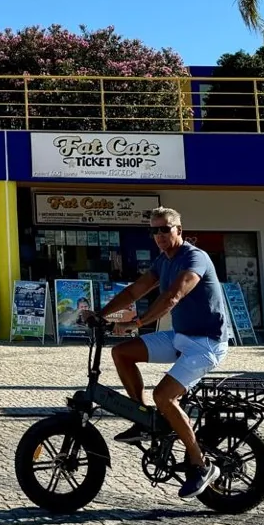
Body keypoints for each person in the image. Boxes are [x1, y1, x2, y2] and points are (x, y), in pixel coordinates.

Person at [98, 207, 230, 500]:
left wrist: (137, 323)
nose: (159, 235)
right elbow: (135, 291)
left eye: (165, 229)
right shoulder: (163, 260)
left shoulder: (194, 258)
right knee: (121, 353)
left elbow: (174, 296)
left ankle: (199, 463)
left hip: (206, 342)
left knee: (165, 396)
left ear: (179, 230)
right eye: (154, 230)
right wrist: (101, 314)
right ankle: (143, 419)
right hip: (181, 336)